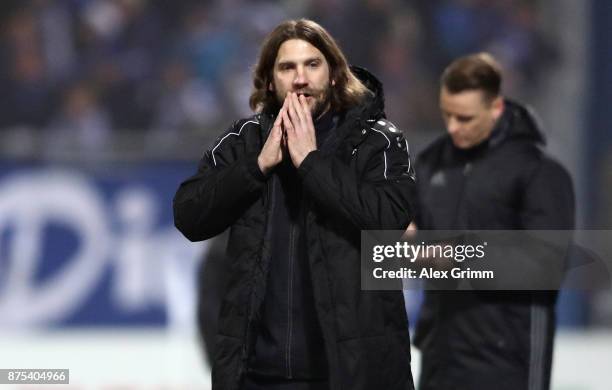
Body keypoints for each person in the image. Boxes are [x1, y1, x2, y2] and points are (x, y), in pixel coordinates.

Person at [173, 19, 416, 390]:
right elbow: (188, 215)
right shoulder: (245, 140)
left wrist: (311, 163)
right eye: (287, 67)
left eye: (312, 64)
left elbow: (389, 220)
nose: (300, 78)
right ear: (270, 81)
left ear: (334, 74)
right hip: (258, 377)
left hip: (351, 374)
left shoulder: (377, 141)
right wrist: (256, 167)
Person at [410, 53, 575, 390]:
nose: (453, 127)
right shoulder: (429, 164)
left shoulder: (539, 172)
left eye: (465, 118)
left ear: (496, 108)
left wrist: (457, 255)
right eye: (446, 115)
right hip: (439, 359)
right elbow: (411, 248)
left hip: (507, 362)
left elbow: (546, 263)